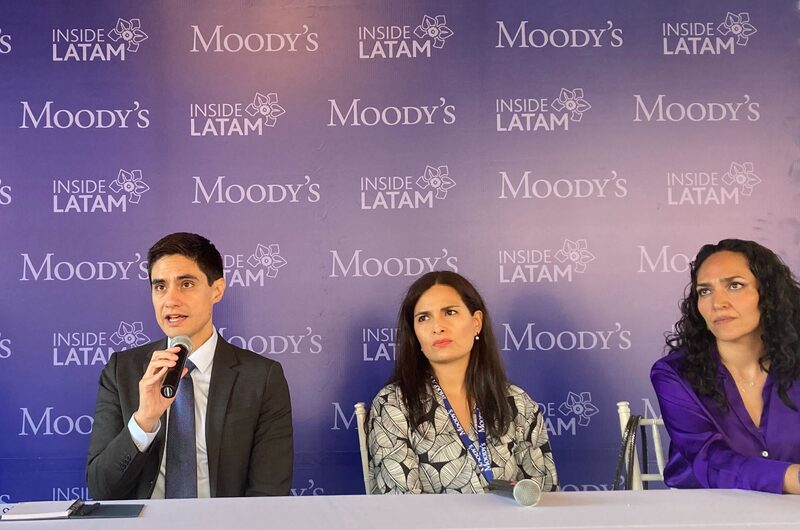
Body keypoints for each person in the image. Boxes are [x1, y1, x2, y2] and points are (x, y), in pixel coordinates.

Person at [86, 232, 293, 499]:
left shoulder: (261, 378)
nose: (170, 300)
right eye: (160, 287)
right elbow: (101, 490)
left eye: (186, 284)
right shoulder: (121, 371)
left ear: (217, 290)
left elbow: (269, 494)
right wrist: (144, 419)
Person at [368, 271, 558, 494]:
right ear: (415, 333)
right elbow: (400, 507)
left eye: (450, 312)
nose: (437, 327)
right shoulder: (394, 404)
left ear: (476, 322)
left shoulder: (517, 403)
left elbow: (543, 495)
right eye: (424, 318)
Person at [651, 239, 800, 494]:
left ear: (769, 294)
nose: (717, 302)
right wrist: (791, 478)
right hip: (707, 509)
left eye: (734, 285)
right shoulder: (675, 373)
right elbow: (709, 460)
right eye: (704, 291)